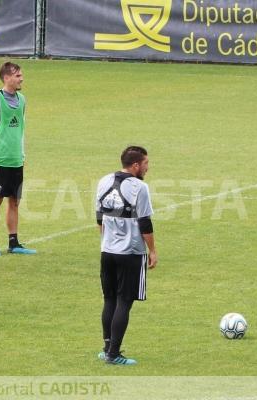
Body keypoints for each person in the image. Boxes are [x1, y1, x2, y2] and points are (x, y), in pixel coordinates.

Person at [95, 146, 157, 365]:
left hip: (107, 251)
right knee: (124, 301)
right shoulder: (140, 187)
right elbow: (145, 222)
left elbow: (99, 218)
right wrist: (152, 251)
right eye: (146, 163)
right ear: (136, 165)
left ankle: (106, 347)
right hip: (130, 253)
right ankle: (114, 354)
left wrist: (107, 241)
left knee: (109, 299)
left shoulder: (103, 181)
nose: (148, 168)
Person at [0, 61, 36, 256]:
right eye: (17, 75)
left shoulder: (22, 99)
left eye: (21, 75)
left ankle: (14, 242)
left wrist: (22, 152)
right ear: (6, 78)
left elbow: (20, 129)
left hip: (16, 159)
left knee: (14, 201)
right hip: (0, 158)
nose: (21, 78)